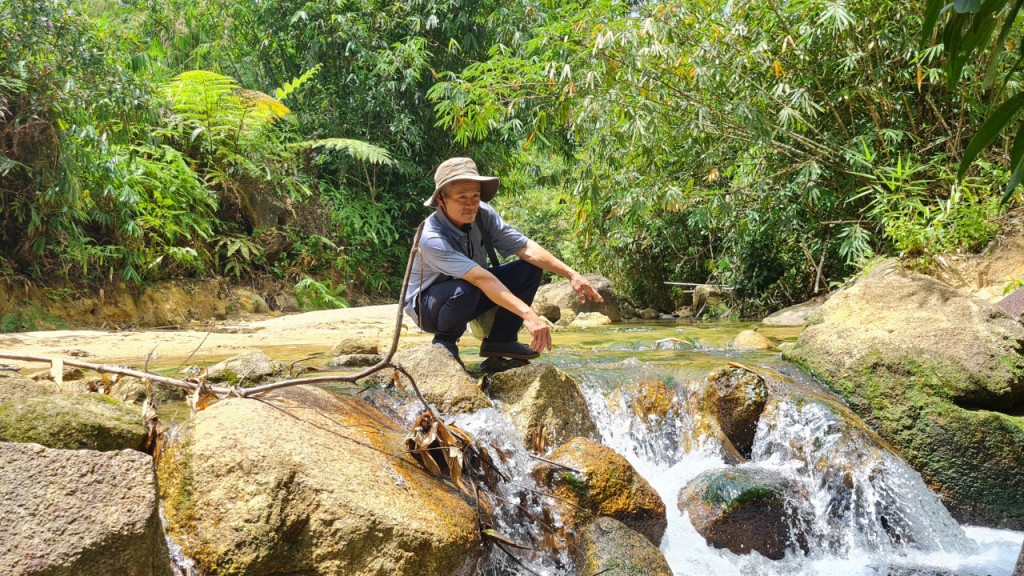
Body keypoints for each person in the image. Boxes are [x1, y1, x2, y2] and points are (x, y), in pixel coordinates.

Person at [404, 157, 604, 363]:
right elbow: (479, 278)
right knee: (466, 288)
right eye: (461, 197)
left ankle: (501, 340)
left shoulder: (483, 215)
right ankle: (445, 342)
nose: (470, 204)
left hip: (471, 294)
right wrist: (529, 314)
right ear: (441, 199)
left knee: (529, 269)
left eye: (475, 196)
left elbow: (526, 248)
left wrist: (571, 274)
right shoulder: (430, 236)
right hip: (429, 308)